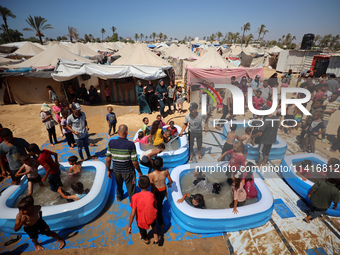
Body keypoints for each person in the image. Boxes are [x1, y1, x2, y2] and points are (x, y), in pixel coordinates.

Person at [106, 124, 142, 201]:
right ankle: (132, 202)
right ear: (127, 132)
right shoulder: (130, 144)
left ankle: (119, 197)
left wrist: (108, 170)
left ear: (118, 132)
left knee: (118, 185)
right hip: (128, 171)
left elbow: (108, 159)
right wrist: (139, 171)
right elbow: (135, 162)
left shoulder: (111, 142)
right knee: (131, 188)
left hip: (116, 170)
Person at [127, 176, 159, 245]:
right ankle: (156, 236)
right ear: (149, 185)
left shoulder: (135, 197)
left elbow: (133, 213)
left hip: (142, 221)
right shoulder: (152, 195)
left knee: (142, 231)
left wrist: (129, 225)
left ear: (138, 186)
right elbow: (155, 206)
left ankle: (145, 239)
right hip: (152, 217)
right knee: (153, 224)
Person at [148, 157, 173, 228]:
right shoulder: (165, 172)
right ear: (162, 165)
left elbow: (152, 187)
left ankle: (161, 222)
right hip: (163, 190)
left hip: (156, 192)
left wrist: (152, 195)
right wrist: (169, 183)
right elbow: (170, 181)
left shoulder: (151, 175)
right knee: (160, 202)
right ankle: (161, 222)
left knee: (158, 208)